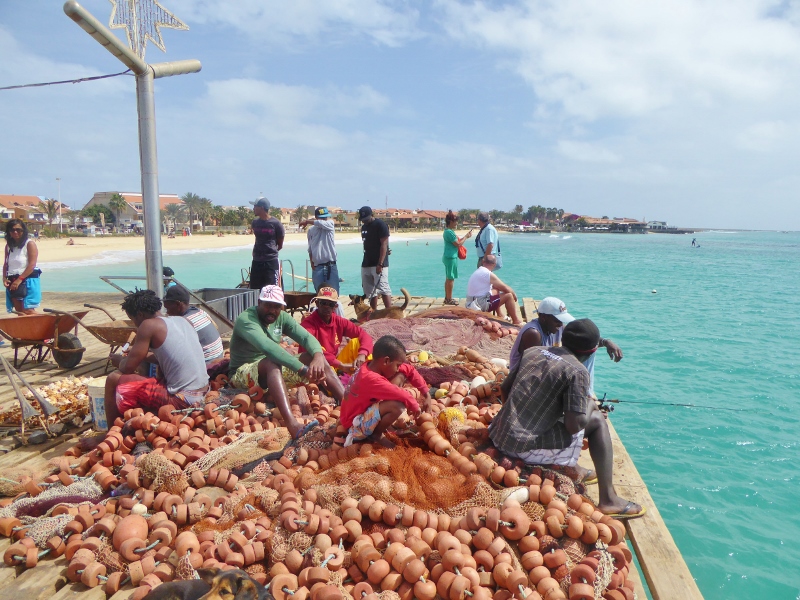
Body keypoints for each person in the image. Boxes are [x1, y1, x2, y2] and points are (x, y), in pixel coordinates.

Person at [490, 319, 645, 518]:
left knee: (561, 414)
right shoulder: (578, 371)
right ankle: (608, 499)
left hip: (499, 433)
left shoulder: (534, 352)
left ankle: (575, 467)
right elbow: (574, 426)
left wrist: (515, 417)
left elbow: (504, 388)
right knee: (596, 420)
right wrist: (589, 406)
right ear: (591, 352)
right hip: (521, 447)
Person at [228, 285, 344, 438]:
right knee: (272, 362)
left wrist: (317, 356)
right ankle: (292, 425)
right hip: (243, 372)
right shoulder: (247, 319)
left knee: (315, 358)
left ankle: (348, 405)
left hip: (270, 371)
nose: (272, 310)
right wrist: (302, 370)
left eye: (276, 306)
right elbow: (268, 347)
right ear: (259, 302)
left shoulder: (281, 317)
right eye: (268, 305)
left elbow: (306, 338)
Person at [104, 289, 209, 425]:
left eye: (133, 320)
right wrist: (140, 355)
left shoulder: (148, 325)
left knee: (113, 378)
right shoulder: (183, 321)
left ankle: (110, 432)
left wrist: (120, 361)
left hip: (183, 400)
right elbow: (169, 357)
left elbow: (128, 368)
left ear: (140, 315)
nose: (135, 324)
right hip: (204, 393)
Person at [509, 297, 623, 394]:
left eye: (562, 321)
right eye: (557, 321)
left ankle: (585, 393)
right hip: (528, 380)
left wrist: (606, 342)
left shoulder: (557, 328)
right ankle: (583, 396)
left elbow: (584, 339)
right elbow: (532, 369)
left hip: (546, 370)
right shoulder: (533, 333)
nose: (560, 324)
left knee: (590, 350)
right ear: (544, 318)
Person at [340, 335, 430, 447]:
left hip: (360, 411)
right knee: (397, 405)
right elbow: (401, 395)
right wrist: (415, 407)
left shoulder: (371, 365)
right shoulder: (370, 379)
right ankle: (376, 435)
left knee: (400, 375)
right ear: (386, 361)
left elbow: (409, 370)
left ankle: (380, 424)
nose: (398, 368)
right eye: (397, 365)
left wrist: (427, 394)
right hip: (354, 424)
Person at [300, 287, 373, 369]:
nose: (326, 307)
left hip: (335, 363)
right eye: (323, 303)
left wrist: (362, 354)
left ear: (335, 306)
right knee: (318, 349)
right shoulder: (308, 324)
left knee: (357, 342)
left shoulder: (338, 321)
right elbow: (312, 350)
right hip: (316, 365)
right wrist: (340, 365)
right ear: (317, 304)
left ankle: (367, 374)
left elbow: (364, 335)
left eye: (331, 304)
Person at [163, 285, 224, 363]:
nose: (167, 312)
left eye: (168, 308)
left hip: (207, 366)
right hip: (218, 358)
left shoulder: (184, 322)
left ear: (178, 304)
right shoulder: (199, 312)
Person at [465, 255, 523, 325]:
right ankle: (516, 321)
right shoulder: (487, 274)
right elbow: (505, 288)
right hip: (479, 305)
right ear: (494, 265)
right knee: (509, 296)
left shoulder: (479, 271)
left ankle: (500, 314)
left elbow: (498, 287)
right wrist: (514, 295)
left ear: (483, 262)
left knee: (495, 289)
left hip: (471, 302)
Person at [3, 219, 41, 314]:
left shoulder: (29, 244)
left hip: (27, 280)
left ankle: (47, 326)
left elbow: (32, 264)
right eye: (12, 230)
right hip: (13, 279)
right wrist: (4, 278)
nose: (15, 232)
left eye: (18, 229)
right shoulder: (9, 246)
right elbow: (6, 264)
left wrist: (19, 280)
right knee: (19, 309)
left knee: (28, 309)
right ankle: (27, 329)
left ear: (23, 230)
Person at [359, 206, 392, 309]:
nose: (364, 221)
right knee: (369, 289)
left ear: (372, 215)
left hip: (379, 263)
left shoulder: (380, 225)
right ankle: (374, 312)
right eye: (362, 219)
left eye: (366, 219)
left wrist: (380, 263)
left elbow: (384, 244)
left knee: (383, 287)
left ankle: (389, 312)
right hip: (367, 262)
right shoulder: (363, 227)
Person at [248, 197, 285, 290]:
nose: (253, 209)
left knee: (272, 289)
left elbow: (280, 244)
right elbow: (258, 239)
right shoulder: (255, 222)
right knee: (255, 289)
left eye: (255, 206)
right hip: (256, 261)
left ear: (262, 208)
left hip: (270, 261)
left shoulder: (276, 223)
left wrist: (270, 252)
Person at [300, 207, 339, 292]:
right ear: (317, 217)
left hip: (331, 266)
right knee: (319, 294)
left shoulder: (330, 224)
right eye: (322, 218)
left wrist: (307, 221)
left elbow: (320, 223)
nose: (324, 219)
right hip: (318, 268)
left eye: (325, 217)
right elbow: (310, 248)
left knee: (334, 294)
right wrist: (312, 263)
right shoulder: (311, 230)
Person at [442, 210, 473, 305]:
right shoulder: (449, 232)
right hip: (451, 257)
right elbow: (458, 244)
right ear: (451, 222)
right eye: (455, 221)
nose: (456, 223)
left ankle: (447, 297)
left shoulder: (449, 231)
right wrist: (466, 237)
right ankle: (449, 299)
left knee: (448, 278)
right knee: (450, 278)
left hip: (449, 256)